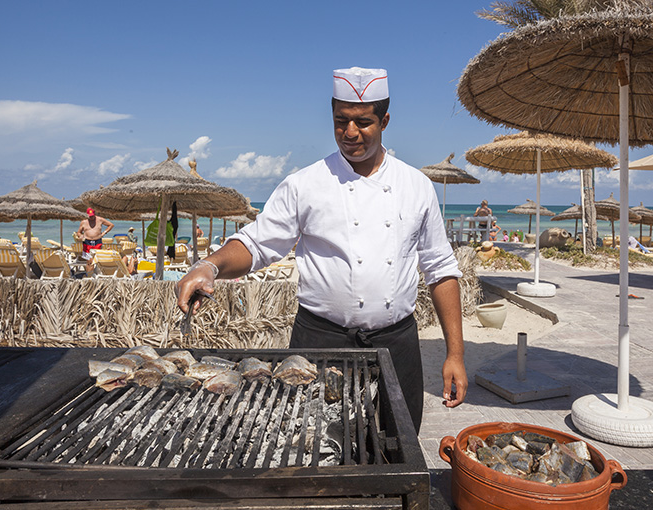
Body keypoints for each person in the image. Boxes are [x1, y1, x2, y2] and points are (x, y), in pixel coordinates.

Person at [176, 67, 467, 433]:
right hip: (319, 341)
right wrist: (210, 266)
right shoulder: (305, 184)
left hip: (397, 343)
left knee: (399, 441)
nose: (350, 133)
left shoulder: (416, 186)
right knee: (314, 443)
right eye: (340, 121)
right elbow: (257, 243)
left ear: (385, 121)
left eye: (363, 122)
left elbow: (440, 269)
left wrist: (455, 353)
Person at [76, 207, 114, 274]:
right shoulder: (84, 222)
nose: (92, 217)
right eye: (90, 216)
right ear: (87, 215)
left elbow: (111, 225)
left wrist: (104, 233)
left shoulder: (100, 219)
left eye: (93, 216)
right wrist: (81, 236)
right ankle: (89, 275)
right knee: (89, 261)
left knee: (96, 260)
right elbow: (78, 232)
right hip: (87, 242)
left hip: (97, 241)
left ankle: (95, 274)